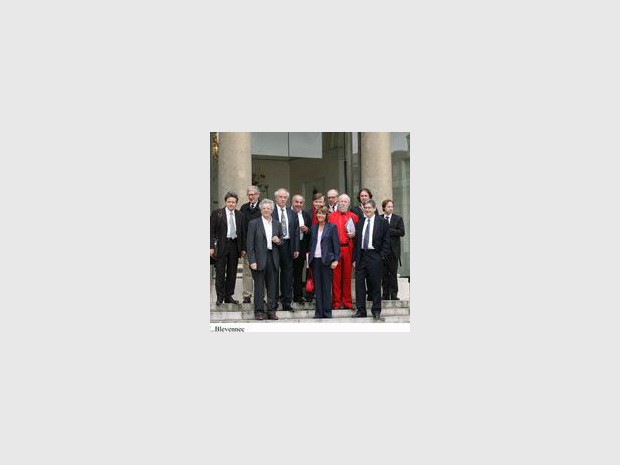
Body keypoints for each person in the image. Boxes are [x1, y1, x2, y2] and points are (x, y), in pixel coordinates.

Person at [352, 199, 390, 319]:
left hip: (375, 256)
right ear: (363, 209)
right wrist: (355, 258)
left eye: (369, 208)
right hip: (361, 256)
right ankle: (361, 311)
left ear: (374, 209)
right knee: (359, 284)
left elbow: (386, 241)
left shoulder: (382, 222)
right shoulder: (360, 222)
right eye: (365, 208)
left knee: (375, 284)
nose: (367, 210)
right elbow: (357, 242)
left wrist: (381, 256)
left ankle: (376, 310)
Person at [246, 199, 282, 321]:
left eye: (268, 208)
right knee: (259, 287)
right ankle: (259, 312)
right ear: (261, 210)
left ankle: (272, 311)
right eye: (264, 208)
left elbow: (282, 240)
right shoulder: (253, 223)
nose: (266, 210)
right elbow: (250, 244)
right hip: (259, 259)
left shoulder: (277, 224)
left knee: (272, 287)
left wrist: (279, 241)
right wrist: (252, 261)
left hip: (273, 257)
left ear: (272, 210)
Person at [210, 191, 246, 306]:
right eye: (229, 202)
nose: (231, 204)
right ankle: (220, 297)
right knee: (220, 271)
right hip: (221, 245)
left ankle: (228, 296)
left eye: (233, 202)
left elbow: (243, 233)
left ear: (236, 203)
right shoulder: (217, 213)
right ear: (225, 202)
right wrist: (211, 247)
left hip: (234, 245)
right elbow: (211, 231)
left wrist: (243, 248)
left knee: (232, 272)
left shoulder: (240, 215)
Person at [308, 207, 340, 318]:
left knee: (326, 287)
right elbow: (311, 245)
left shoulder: (332, 227)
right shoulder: (313, 228)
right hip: (315, 260)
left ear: (326, 215)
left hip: (327, 260)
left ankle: (327, 312)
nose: (320, 215)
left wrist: (336, 259)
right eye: (318, 213)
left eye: (322, 213)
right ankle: (319, 313)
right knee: (318, 288)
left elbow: (336, 244)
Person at [328, 193, 359, 309]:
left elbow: (359, 234)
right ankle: (336, 302)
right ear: (337, 202)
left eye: (345, 202)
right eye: (341, 201)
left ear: (349, 203)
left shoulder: (354, 217)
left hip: (348, 249)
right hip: (335, 250)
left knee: (347, 277)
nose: (343, 203)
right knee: (336, 277)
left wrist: (354, 235)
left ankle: (347, 302)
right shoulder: (331, 216)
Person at [272, 188, 300, 311]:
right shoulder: (270, 211)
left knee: (288, 274)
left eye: (285, 197)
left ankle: (287, 302)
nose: (283, 199)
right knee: (274, 274)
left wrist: (296, 248)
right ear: (276, 198)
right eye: (280, 197)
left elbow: (296, 232)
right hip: (274, 246)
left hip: (288, 245)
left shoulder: (292, 213)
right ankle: (273, 301)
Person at [239, 186, 262, 304]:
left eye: (253, 194)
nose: (251, 196)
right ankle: (247, 295)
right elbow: (241, 229)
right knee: (247, 272)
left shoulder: (263, 207)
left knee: (261, 271)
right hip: (248, 245)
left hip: (261, 245)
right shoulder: (244, 208)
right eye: (249, 194)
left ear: (258, 195)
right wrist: (243, 247)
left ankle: (260, 295)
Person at [381, 199, 406, 300]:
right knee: (384, 274)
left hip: (393, 251)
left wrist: (389, 230)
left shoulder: (398, 219)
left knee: (393, 273)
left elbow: (402, 232)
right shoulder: (379, 218)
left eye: (391, 206)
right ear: (384, 208)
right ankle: (385, 294)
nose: (390, 208)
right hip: (383, 250)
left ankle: (394, 294)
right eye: (388, 206)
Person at [291, 194, 312, 303]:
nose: (298, 204)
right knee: (287, 272)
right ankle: (286, 295)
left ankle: (298, 295)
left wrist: (307, 229)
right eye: (296, 202)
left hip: (301, 247)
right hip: (289, 247)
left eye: (301, 202)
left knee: (299, 272)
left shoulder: (306, 215)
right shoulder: (287, 213)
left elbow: (311, 230)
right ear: (292, 202)